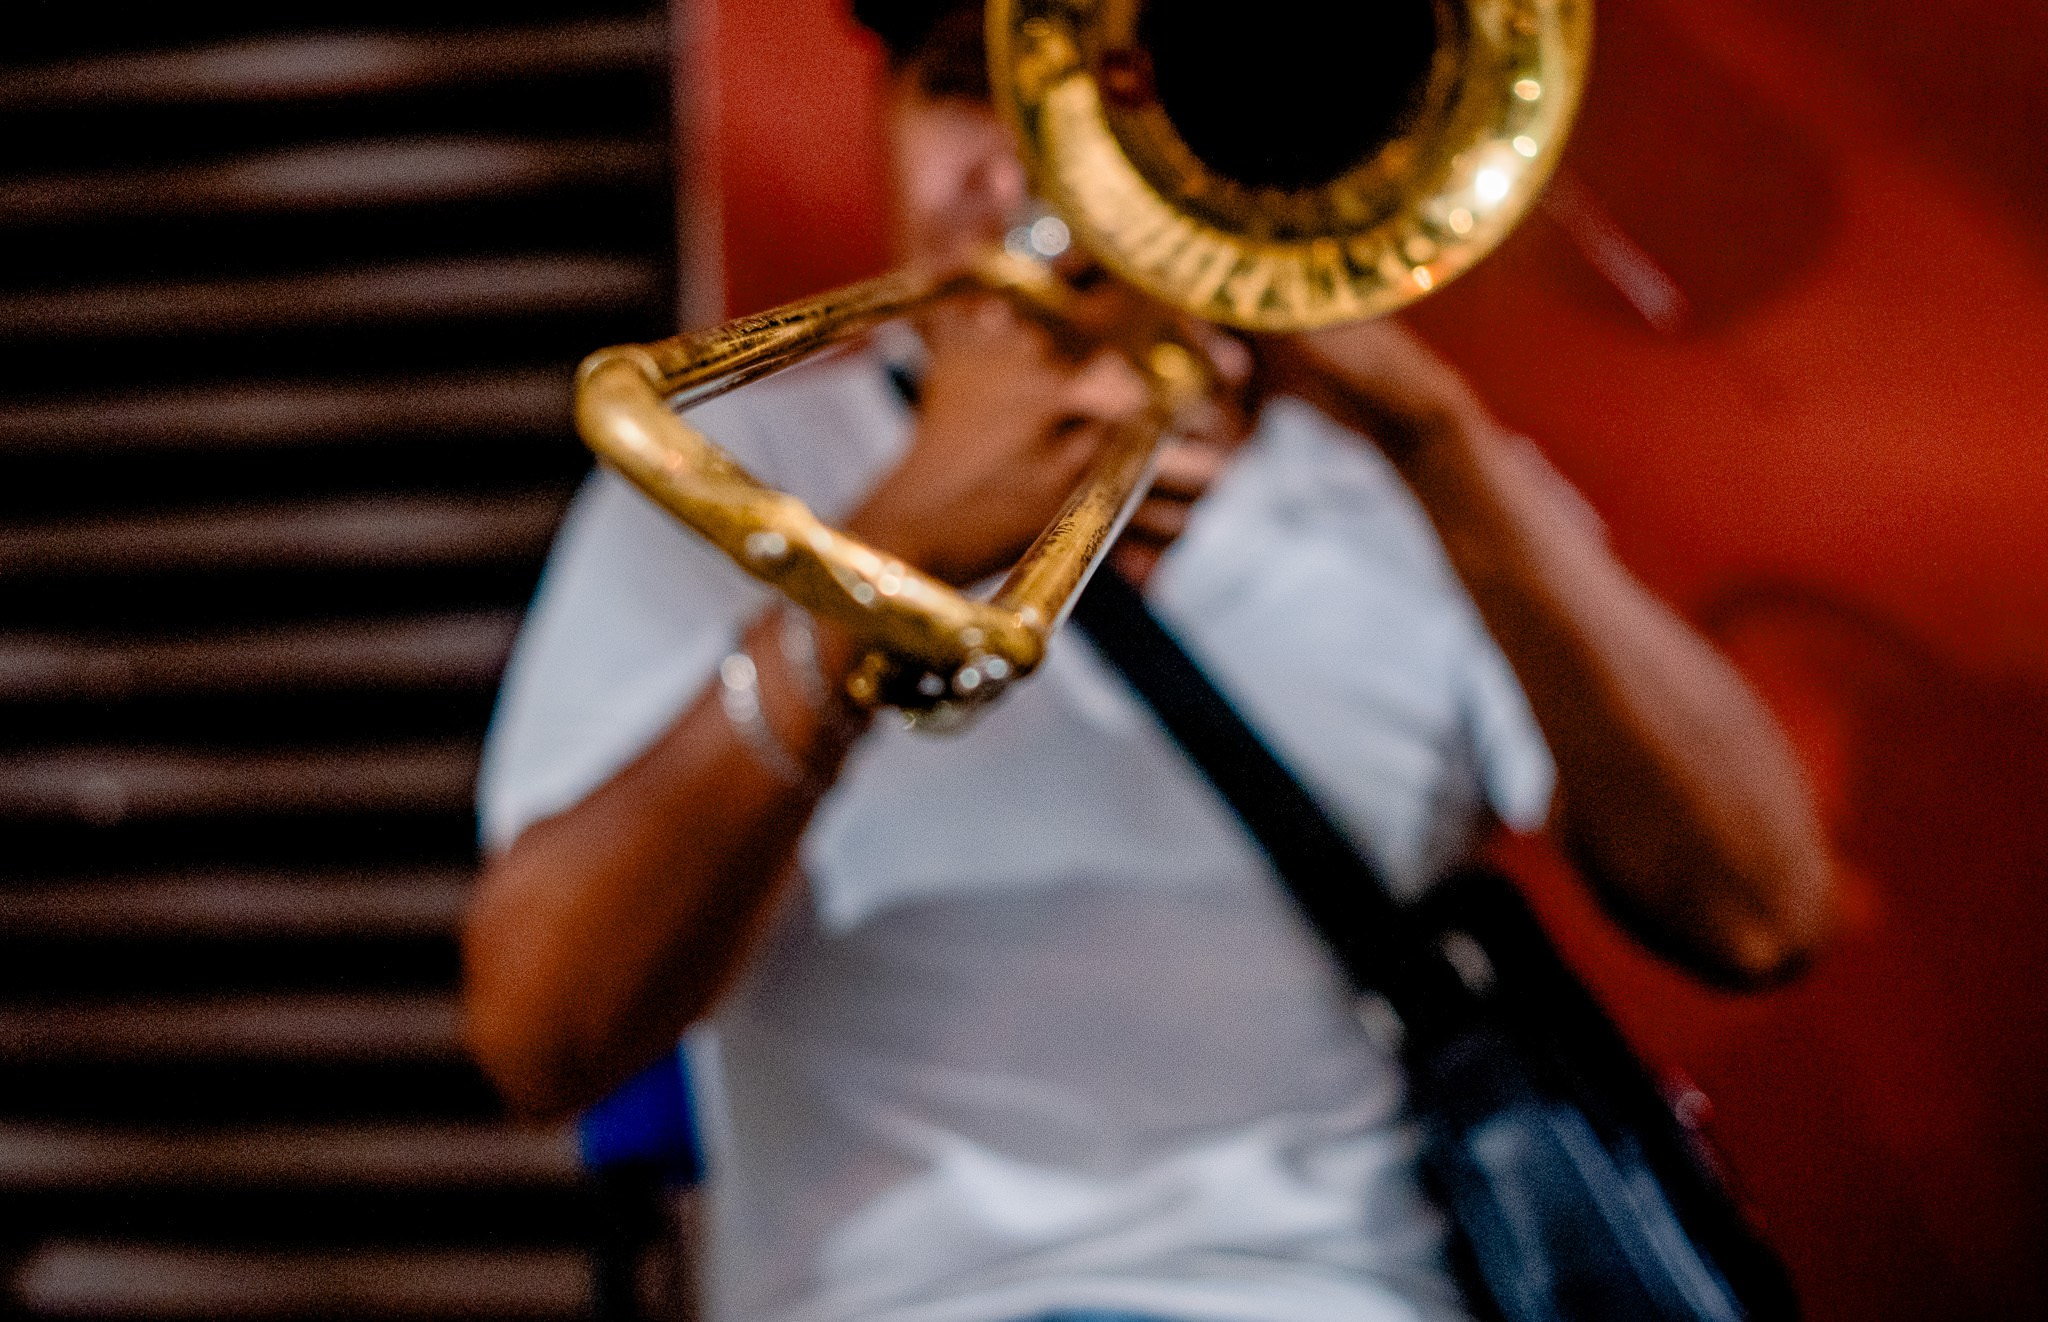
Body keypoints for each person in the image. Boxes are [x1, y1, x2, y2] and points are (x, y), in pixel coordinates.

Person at [465, 3, 1835, 1319]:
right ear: (877, 119)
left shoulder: (1405, 492)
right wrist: (885, 557)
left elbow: (1758, 911)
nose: (1035, 170)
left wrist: (1437, 436)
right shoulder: (752, 475)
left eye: (1114, 94)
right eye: (959, 80)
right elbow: (541, 1034)